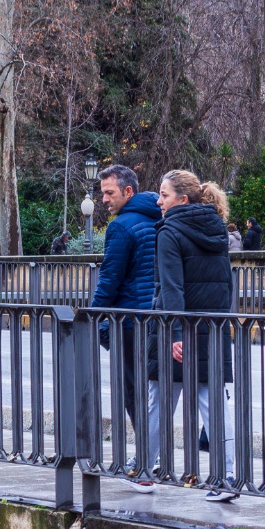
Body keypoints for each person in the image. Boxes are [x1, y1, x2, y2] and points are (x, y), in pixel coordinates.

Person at [146, 168, 238, 501]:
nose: (159, 201)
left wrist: (175, 333)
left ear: (182, 199)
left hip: (178, 329)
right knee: (213, 403)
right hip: (211, 327)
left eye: (164, 195)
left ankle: (144, 468)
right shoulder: (217, 229)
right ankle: (226, 476)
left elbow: (171, 287)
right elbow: (226, 284)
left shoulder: (169, 232)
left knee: (159, 399)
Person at [89, 164, 162, 466]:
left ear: (128, 191)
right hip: (157, 316)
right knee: (156, 390)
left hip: (130, 320)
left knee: (133, 390)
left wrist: (91, 315)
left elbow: (110, 278)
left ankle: (146, 457)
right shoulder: (159, 218)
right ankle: (155, 455)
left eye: (109, 193)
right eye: (102, 193)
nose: (104, 199)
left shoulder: (121, 226)